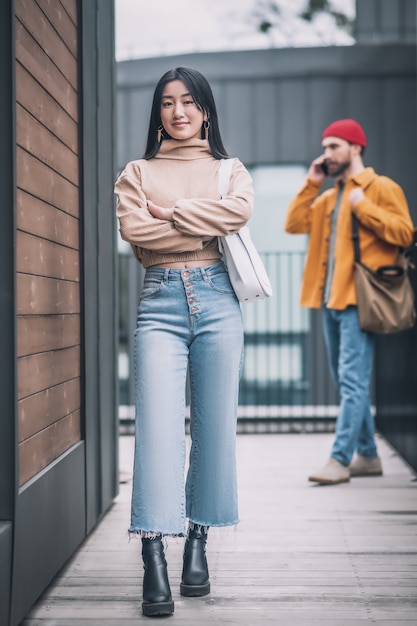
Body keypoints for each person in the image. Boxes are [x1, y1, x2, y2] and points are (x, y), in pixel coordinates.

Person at [114, 67, 253, 617]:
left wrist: (169, 214)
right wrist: (203, 225)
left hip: (220, 302)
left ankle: (198, 538)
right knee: (158, 431)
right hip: (160, 302)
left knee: (215, 427)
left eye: (189, 102)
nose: (178, 112)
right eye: (168, 103)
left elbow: (238, 211)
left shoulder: (228, 169)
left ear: (206, 111)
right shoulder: (137, 171)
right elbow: (134, 230)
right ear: (159, 113)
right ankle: (154, 554)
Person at [284, 118, 414, 486]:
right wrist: (312, 181)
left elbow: (404, 232)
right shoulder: (328, 196)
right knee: (346, 381)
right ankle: (369, 455)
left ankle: (340, 459)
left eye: (334, 146)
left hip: (360, 298)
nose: (327, 154)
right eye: (325, 147)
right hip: (330, 299)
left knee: (353, 381)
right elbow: (294, 224)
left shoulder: (380, 187)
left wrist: (364, 208)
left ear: (356, 147)